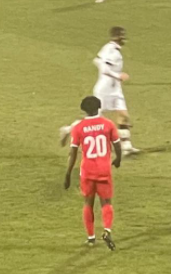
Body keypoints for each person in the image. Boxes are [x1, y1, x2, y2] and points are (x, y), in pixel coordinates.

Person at [64, 96, 122, 249]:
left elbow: (73, 153)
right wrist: (118, 159)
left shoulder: (79, 127)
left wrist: (68, 174)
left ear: (83, 109)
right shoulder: (108, 124)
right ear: (99, 107)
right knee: (106, 202)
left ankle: (91, 238)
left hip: (87, 171)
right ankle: (107, 230)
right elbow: (117, 145)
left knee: (88, 203)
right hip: (104, 170)